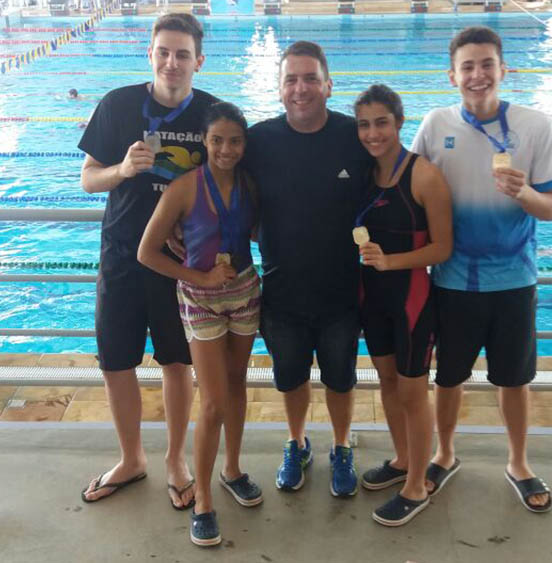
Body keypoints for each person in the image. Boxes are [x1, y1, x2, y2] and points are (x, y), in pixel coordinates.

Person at [411, 26, 552, 513]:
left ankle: (519, 461)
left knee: (515, 380)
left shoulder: (536, 127)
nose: (477, 75)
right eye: (468, 66)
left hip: (515, 280)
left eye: (486, 65)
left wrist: (524, 193)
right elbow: (409, 189)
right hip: (452, 280)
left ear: (503, 69)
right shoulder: (436, 126)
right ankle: (444, 453)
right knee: (448, 378)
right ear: (452, 74)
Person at [78, 13, 218, 511]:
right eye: (163, 52)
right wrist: (121, 168)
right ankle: (131, 458)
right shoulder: (118, 106)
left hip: (177, 264)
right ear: (150, 55)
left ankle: (176, 461)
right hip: (120, 258)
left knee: (177, 363)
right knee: (116, 363)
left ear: (199, 60)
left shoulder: (213, 114)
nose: (172, 62)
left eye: (182, 54)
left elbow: (231, 190)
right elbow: (88, 179)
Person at [243, 41, 372, 497]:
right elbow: (222, 192)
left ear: (328, 85)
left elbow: (389, 189)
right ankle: (296, 443)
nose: (301, 89)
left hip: (341, 293)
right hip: (282, 291)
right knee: (290, 378)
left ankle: (340, 447)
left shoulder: (352, 137)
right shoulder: (258, 141)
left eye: (311, 78)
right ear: (279, 89)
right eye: (291, 80)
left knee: (340, 379)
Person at [138, 102, 262, 547]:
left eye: (234, 141)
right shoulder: (184, 188)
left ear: (244, 145)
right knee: (212, 401)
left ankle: (232, 469)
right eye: (217, 140)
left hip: (245, 291)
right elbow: (147, 252)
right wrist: (200, 276)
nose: (226, 149)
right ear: (205, 142)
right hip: (201, 300)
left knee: (237, 384)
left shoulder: (250, 185)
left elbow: (258, 231)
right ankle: (205, 499)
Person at [354, 84, 453, 526]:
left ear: (399, 122)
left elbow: (442, 249)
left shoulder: (424, 175)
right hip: (371, 299)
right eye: (364, 125)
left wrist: (390, 261)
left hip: (412, 298)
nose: (373, 133)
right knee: (387, 382)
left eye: (381, 123)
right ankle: (401, 459)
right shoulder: (363, 174)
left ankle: (418, 483)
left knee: (413, 392)